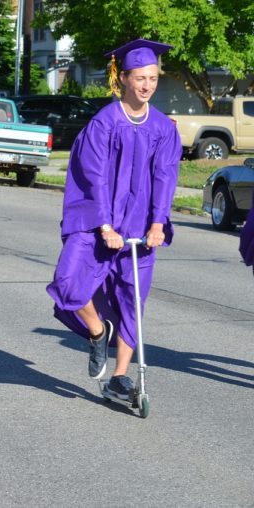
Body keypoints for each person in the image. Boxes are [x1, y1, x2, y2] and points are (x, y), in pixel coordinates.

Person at [46, 39, 182, 400]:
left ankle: (121, 376)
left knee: (132, 300)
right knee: (68, 284)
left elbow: (165, 176)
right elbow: (94, 177)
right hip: (97, 226)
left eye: (152, 78)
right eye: (139, 77)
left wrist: (158, 223)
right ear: (122, 78)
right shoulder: (104, 123)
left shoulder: (163, 128)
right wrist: (104, 225)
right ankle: (95, 331)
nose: (147, 85)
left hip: (140, 228)